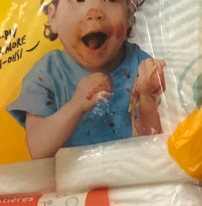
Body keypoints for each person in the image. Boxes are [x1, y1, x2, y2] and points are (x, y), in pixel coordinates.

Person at [9, 0, 166, 158]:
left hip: (132, 171)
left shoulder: (143, 67)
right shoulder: (48, 73)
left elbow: (152, 144)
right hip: (69, 178)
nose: (94, 12)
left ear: (129, 14)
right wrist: (76, 105)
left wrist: (145, 95)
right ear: (53, 16)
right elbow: (38, 148)